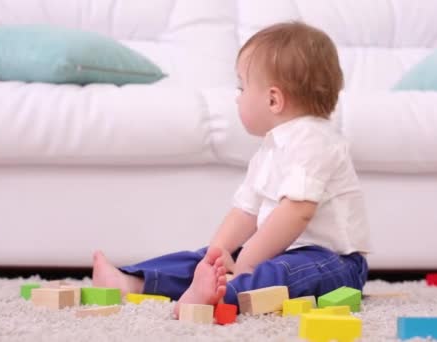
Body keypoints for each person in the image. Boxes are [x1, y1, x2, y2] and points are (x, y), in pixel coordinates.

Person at [92, 21, 371, 317]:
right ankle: (135, 281)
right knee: (201, 259)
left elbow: (297, 211)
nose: (237, 96)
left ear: (273, 100)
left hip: (334, 262)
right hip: (276, 251)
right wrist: (215, 255)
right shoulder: (269, 150)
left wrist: (247, 262)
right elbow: (245, 211)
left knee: (281, 272)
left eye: (242, 87)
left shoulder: (315, 141)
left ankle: (220, 297)